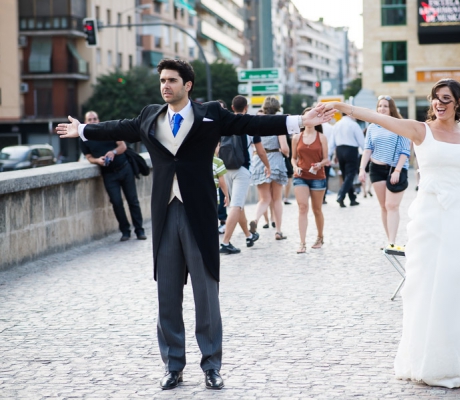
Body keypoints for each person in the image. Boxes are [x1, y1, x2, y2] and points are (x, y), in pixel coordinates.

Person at [56, 58, 333, 391]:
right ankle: (173, 365)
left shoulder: (212, 114)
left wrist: (300, 120)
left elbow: (251, 125)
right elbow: (119, 127)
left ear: (187, 85)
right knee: (167, 294)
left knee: (206, 293)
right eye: (162, 80)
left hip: (199, 212)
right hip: (165, 212)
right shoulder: (150, 115)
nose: (165, 86)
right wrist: (83, 130)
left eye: (172, 80)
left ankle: (211, 365)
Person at [322, 78, 460, 388]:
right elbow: (376, 117)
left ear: (458, 104)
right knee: (426, 287)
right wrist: (342, 107)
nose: (439, 104)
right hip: (430, 218)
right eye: (436, 98)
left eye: (446, 99)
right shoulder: (420, 130)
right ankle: (431, 359)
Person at [79, 111, 146, 242]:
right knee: (116, 203)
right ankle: (125, 231)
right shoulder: (83, 138)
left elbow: (122, 146)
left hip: (124, 168)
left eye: (95, 119)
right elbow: (88, 157)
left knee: (133, 200)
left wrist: (113, 152)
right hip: (108, 174)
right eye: (89, 119)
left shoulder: (107, 130)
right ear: (85, 122)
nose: (92, 121)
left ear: (98, 120)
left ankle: (140, 230)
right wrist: (98, 160)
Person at [359, 95, 411, 251]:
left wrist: (397, 170)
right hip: (376, 169)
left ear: (391, 109)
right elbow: (368, 149)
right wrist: (362, 169)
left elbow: (405, 150)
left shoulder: (399, 125)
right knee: (383, 206)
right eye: (380, 106)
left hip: (395, 169)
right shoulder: (372, 127)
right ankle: (390, 241)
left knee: (392, 205)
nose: (382, 109)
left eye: (385, 106)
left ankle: (393, 243)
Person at [219, 95, 268, 254]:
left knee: (238, 205)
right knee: (236, 206)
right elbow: (260, 151)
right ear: (246, 108)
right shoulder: (249, 124)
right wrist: (268, 166)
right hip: (242, 169)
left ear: (232, 108)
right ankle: (225, 242)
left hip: (226, 169)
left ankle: (248, 235)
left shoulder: (226, 122)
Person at [249, 97, 290, 241]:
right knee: (277, 199)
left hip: (259, 160)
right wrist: (286, 152)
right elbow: (285, 148)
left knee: (264, 199)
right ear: (278, 108)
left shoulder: (257, 122)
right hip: (276, 160)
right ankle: (278, 231)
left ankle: (255, 219)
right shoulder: (278, 123)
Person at [291, 107, 329, 254]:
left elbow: (326, 159)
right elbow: (293, 158)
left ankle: (320, 237)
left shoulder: (321, 137)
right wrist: (295, 167)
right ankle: (302, 243)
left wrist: (320, 164)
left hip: (317, 177)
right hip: (301, 176)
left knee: (317, 209)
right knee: (302, 207)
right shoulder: (296, 137)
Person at [329, 111, 364, 207]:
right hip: (351, 150)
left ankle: (352, 198)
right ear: (349, 114)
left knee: (345, 175)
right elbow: (361, 141)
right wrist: (366, 152)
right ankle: (341, 195)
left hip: (340, 150)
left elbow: (332, 142)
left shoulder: (336, 125)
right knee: (351, 175)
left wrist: (330, 155)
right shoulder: (353, 125)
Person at [216, 100, 228, 233]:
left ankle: (224, 220)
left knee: (223, 191)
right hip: (214, 162)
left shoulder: (228, 124)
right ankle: (221, 219)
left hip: (228, 163)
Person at [213, 142, 229, 211]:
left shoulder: (199, 160)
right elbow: (222, 182)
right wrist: (227, 195)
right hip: (213, 196)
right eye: (218, 146)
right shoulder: (218, 162)